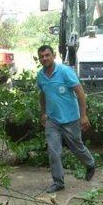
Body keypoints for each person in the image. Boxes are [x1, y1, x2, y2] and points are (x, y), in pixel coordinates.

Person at [36, 45, 95, 193]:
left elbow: (80, 92)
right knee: (53, 150)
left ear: (53, 56)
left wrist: (83, 115)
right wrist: (43, 113)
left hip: (70, 118)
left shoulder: (64, 72)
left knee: (76, 147)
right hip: (52, 120)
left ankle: (90, 163)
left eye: (47, 55)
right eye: (42, 56)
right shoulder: (40, 76)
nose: (44, 58)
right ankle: (58, 182)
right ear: (39, 59)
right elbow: (42, 94)